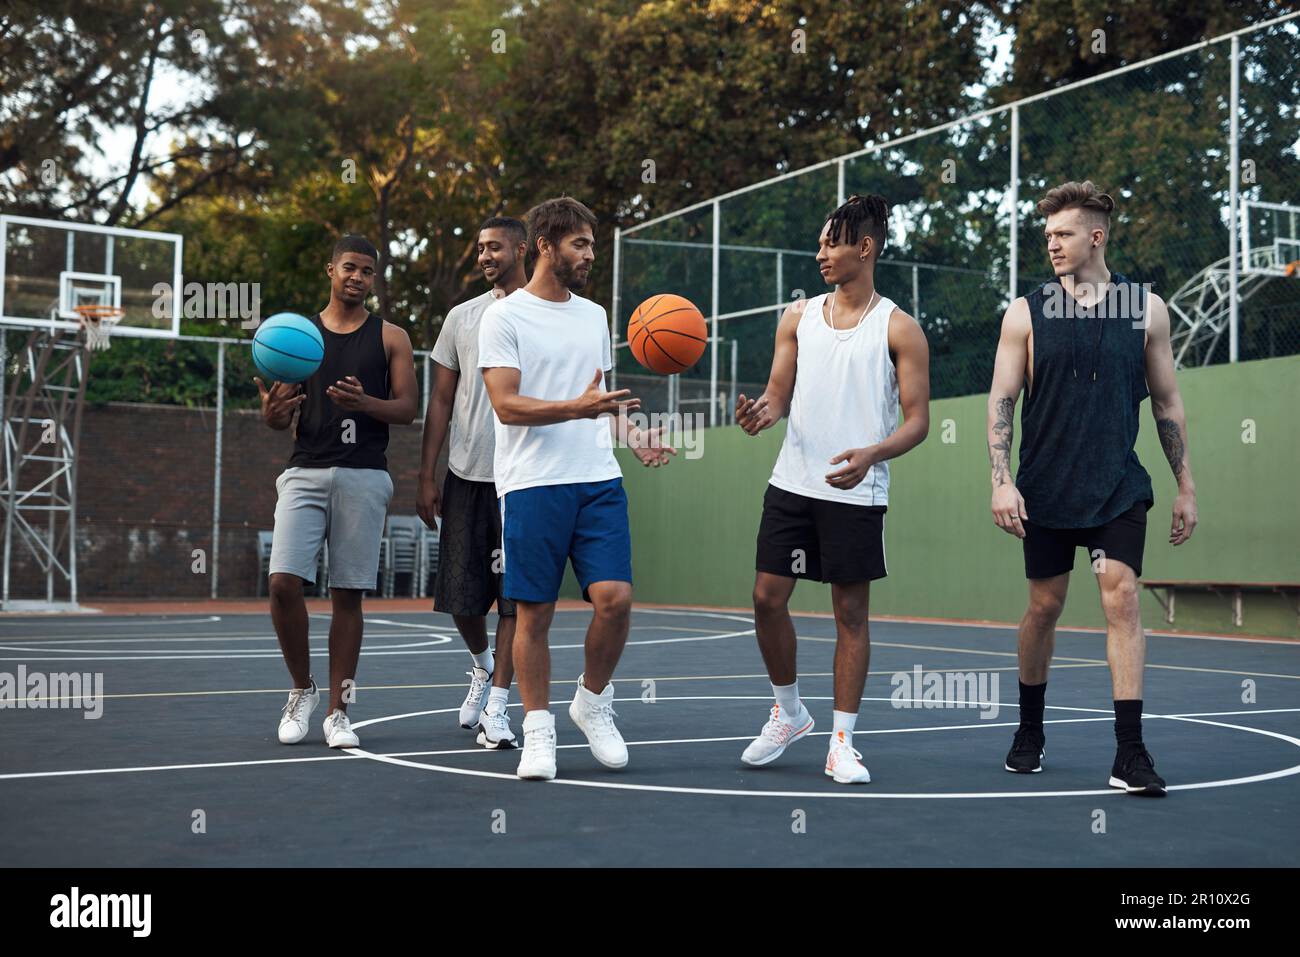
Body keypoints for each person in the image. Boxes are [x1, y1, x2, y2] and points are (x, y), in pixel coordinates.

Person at [987, 180, 1198, 796]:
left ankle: (1129, 753)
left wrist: (1185, 485)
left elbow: (1167, 403)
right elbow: (1001, 401)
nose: (1051, 243)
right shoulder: (1025, 312)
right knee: (1045, 607)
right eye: (1047, 234)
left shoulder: (1147, 309)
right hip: (1045, 489)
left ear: (1096, 236)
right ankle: (1030, 729)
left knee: (1121, 595)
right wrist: (1001, 481)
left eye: (1063, 233)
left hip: (1117, 487)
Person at [734, 194, 930, 784]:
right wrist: (759, 415)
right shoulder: (796, 317)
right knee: (767, 598)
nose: (819, 252)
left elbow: (918, 421)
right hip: (792, 483)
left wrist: (873, 453)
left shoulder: (899, 328)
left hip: (855, 488)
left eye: (831, 242)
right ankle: (790, 712)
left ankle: (843, 741)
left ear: (864, 248)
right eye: (820, 242)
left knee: (849, 612)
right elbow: (777, 395)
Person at [478, 196, 675, 781]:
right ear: (545, 246)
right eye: (580, 244)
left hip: (597, 481)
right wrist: (579, 407)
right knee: (533, 614)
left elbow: (599, 399)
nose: (590, 254)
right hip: (533, 485)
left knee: (615, 602)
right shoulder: (504, 318)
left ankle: (591, 701)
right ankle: (538, 732)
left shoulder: (594, 316)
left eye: (591, 243)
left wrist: (632, 433)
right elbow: (507, 406)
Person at [259, 235, 418, 748]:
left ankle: (338, 711)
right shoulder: (295, 337)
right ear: (330, 269)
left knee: (347, 596)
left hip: (365, 474)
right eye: (350, 267)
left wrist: (366, 402)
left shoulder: (391, 337)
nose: (357, 277)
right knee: (283, 582)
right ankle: (301, 689)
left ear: (374, 279)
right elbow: (280, 415)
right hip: (305, 470)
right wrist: (272, 416)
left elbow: (408, 410)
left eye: (368, 271)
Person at [419, 216, 528, 748]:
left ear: (522, 249)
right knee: (462, 599)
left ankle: (500, 707)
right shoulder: (462, 317)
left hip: (524, 478)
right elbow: (440, 400)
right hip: (466, 473)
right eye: (480, 248)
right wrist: (425, 473)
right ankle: (483, 668)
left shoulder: (542, 313)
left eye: (494, 247)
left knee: (513, 599)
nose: (485, 256)